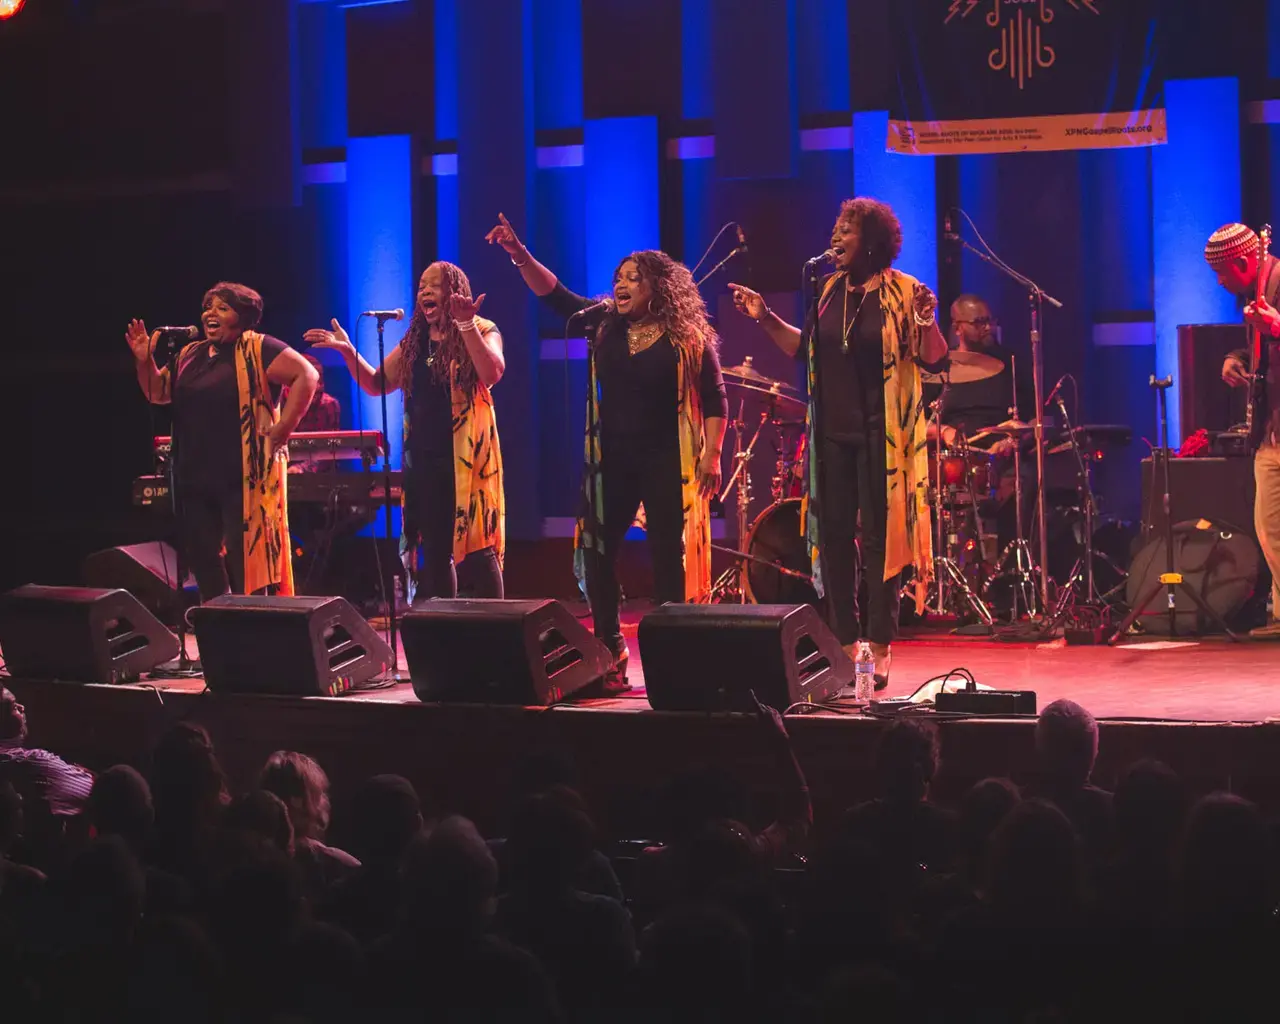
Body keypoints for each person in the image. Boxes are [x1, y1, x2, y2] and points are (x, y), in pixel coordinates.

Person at [486, 213, 727, 693]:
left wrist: (713, 454)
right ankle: (611, 645)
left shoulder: (688, 338)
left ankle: (670, 655)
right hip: (611, 458)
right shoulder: (602, 324)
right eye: (618, 277)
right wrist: (519, 254)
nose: (622, 285)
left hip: (665, 458)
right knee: (595, 550)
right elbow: (556, 296)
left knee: (667, 559)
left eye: (633, 279)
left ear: (658, 288)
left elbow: (717, 398)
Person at [729, 197, 949, 688]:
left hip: (883, 439)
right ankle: (847, 642)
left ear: (872, 240)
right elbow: (801, 348)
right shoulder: (827, 290)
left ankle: (882, 641)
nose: (835, 236)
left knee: (880, 540)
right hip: (831, 435)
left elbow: (935, 359)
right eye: (835, 227)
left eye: (846, 228)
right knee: (831, 540)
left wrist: (927, 320)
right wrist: (764, 316)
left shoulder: (904, 292)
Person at [306, 261, 505, 602]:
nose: (424, 291)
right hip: (425, 460)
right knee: (438, 551)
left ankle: (502, 637)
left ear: (455, 290)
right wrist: (346, 350)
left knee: (478, 546)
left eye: (434, 285)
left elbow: (491, 372)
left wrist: (466, 323)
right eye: (421, 287)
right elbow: (375, 383)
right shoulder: (416, 340)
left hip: (468, 461)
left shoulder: (483, 328)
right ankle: (446, 635)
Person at [126, 282, 317, 601]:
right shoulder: (190, 353)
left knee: (245, 561)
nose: (210, 313)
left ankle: (254, 629)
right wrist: (144, 361)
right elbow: (156, 392)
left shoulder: (259, 348)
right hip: (194, 474)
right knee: (202, 557)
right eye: (208, 307)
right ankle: (220, 628)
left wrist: (284, 427)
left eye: (222, 308)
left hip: (242, 477)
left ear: (242, 317)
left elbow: (306, 375)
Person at [1213, 222, 1280, 638]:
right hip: (1270, 431)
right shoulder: (1252, 296)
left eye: (1222, 273)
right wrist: (1237, 357)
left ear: (1243, 261)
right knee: (1269, 528)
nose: (1220, 282)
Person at [285, 353, 342, 433]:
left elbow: (332, 442)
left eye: (320, 381)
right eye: (312, 382)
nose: (318, 387)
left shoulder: (329, 405)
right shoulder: (279, 403)